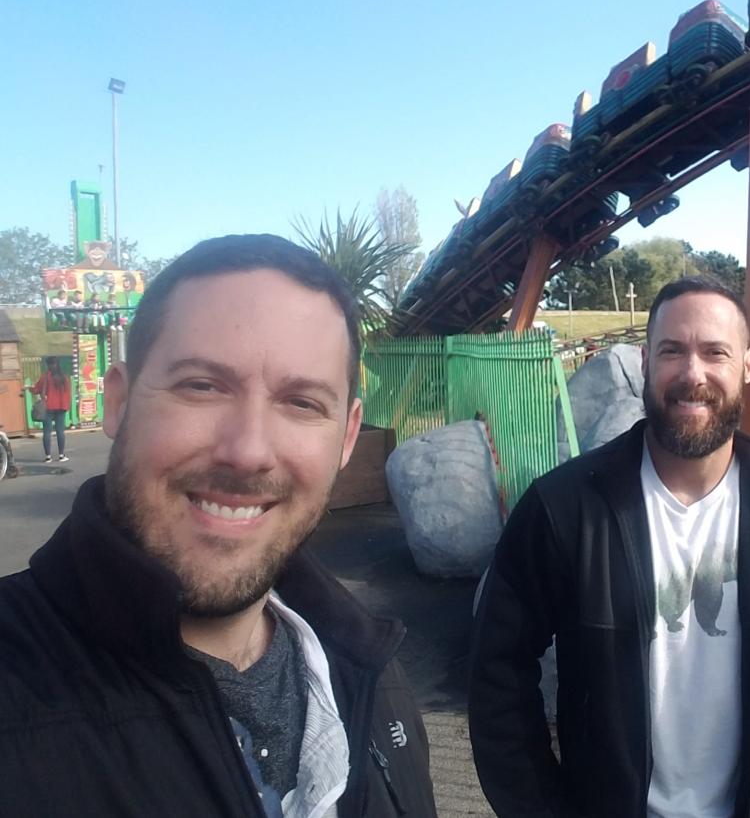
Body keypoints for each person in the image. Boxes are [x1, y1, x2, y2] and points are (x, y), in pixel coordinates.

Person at [0, 234, 437, 817]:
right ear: (119, 403)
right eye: (201, 386)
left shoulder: (372, 673)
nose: (249, 451)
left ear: (347, 438)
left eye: (302, 403)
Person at [469, 276, 750, 818]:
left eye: (715, 353)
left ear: (748, 366)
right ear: (644, 362)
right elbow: (497, 671)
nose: (693, 374)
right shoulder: (563, 508)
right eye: (672, 351)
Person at [31, 356, 71, 462]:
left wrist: (29, 388)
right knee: (60, 431)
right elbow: (67, 393)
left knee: (47, 432)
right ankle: (61, 455)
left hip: (48, 407)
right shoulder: (64, 377)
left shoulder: (45, 377)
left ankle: (48, 456)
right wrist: (66, 406)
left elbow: (36, 389)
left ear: (48, 365)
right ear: (58, 364)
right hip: (61, 407)